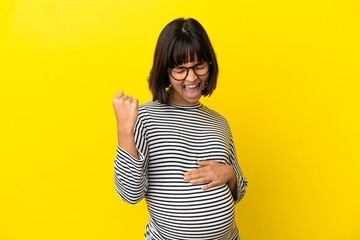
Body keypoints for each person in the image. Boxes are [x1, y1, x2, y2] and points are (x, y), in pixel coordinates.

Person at [113, 18, 248, 240]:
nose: (192, 77)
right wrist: (124, 131)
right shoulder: (145, 118)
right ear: (165, 70)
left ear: (210, 65)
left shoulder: (219, 122)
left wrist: (231, 175)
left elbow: (239, 192)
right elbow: (130, 194)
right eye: (180, 69)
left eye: (199, 66)